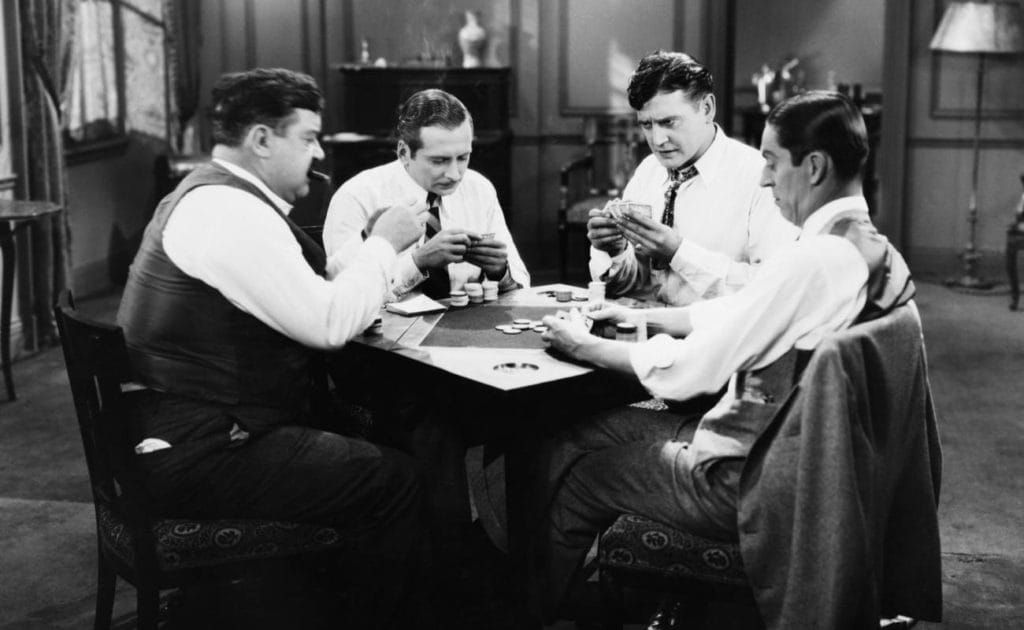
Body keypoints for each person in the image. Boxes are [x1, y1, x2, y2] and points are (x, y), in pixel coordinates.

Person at [538, 91, 916, 624]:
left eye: (771, 161)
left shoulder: (813, 259)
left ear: (813, 167)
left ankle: (526, 608)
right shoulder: (863, 247)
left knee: (584, 477)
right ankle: (540, 586)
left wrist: (587, 347)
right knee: (574, 438)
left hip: (761, 474)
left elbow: (699, 369)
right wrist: (650, 321)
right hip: (805, 453)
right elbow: (752, 313)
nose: (764, 178)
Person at [116, 68, 428, 628]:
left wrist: (389, 254)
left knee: (382, 431)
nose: (317, 153)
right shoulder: (228, 213)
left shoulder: (219, 197)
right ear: (261, 140)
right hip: (200, 449)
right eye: (307, 138)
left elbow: (321, 286)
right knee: (396, 478)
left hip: (186, 430)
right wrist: (383, 244)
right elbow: (330, 323)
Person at [587, 51, 797, 305]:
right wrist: (615, 252)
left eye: (669, 122)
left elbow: (769, 291)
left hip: (719, 339)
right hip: (646, 333)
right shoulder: (648, 171)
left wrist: (677, 252)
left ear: (707, 109)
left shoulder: (759, 178)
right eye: (647, 125)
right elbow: (633, 286)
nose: (657, 141)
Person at [324, 88, 529, 300]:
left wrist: (500, 272)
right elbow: (343, 298)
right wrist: (418, 261)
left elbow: (520, 282)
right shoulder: (358, 196)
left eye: (463, 158)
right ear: (404, 152)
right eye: (439, 161)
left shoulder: (479, 188)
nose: (454, 174)